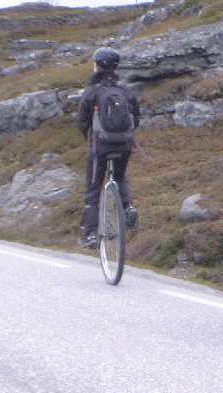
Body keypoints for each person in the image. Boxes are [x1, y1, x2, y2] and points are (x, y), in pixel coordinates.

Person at [77, 47, 140, 249]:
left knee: (93, 190)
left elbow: (82, 120)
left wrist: (88, 135)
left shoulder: (93, 90)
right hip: (125, 144)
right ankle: (128, 206)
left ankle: (90, 235)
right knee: (120, 176)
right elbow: (135, 118)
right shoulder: (125, 89)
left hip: (100, 146)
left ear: (96, 65)